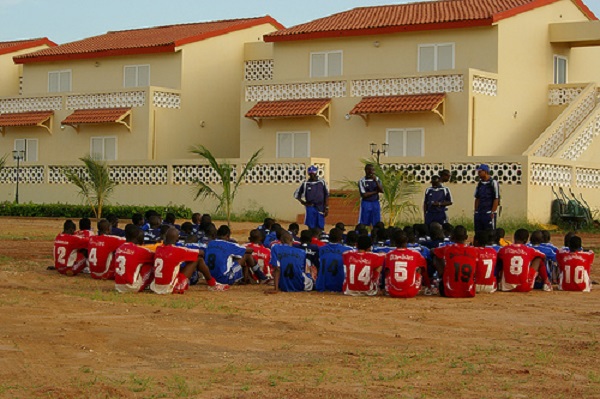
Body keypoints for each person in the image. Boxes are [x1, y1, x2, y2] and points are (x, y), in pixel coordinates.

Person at [151, 227, 229, 294]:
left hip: (156, 287)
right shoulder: (177, 250)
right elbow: (200, 252)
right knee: (199, 259)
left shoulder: (159, 249)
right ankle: (212, 284)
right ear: (177, 239)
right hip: (171, 287)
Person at [432, 225, 477, 298]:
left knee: (436, 256)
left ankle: (441, 277)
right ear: (466, 237)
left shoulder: (447, 249)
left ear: (452, 237)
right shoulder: (474, 251)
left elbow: (433, 252)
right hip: (469, 292)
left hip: (449, 292)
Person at [384, 229, 428, 298]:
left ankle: (388, 287)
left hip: (392, 291)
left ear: (394, 242)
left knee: (389, 269)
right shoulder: (416, 254)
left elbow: (387, 272)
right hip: (411, 292)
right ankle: (422, 286)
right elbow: (424, 270)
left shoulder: (389, 254)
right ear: (407, 241)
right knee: (419, 268)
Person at [114, 224, 155, 293]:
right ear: (137, 237)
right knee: (150, 265)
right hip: (131, 287)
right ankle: (149, 284)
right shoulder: (140, 251)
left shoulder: (119, 248)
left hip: (118, 285)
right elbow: (155, 257)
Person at [316, 228, 353, 292]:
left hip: (321, 285)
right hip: (339, 285)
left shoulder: (321, 249)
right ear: (340, 238)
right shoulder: (348, 250)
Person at [294, 165, 329, 230]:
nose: (312, 175)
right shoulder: (305, 183)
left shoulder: (322, 182)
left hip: (320, 207)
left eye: (313, 173)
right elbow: (296, 194)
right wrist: (303, 202)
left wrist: (326, 207)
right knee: (311, 226)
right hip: (311, 207)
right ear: (308, 174)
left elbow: (326, 194)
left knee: (320, 226)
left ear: (316, 173)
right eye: (310, 173)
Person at [474, 164, 500, 231]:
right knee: (479, 232)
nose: (478, 174)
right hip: (480, 212)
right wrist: (476, 211)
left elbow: (496, 198)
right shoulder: (479, 184)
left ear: (485, 172)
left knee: (490, 232)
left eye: (480, 172)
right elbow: (477, 198)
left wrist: (492, 212)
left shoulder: (493, 183)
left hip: (488, 212)